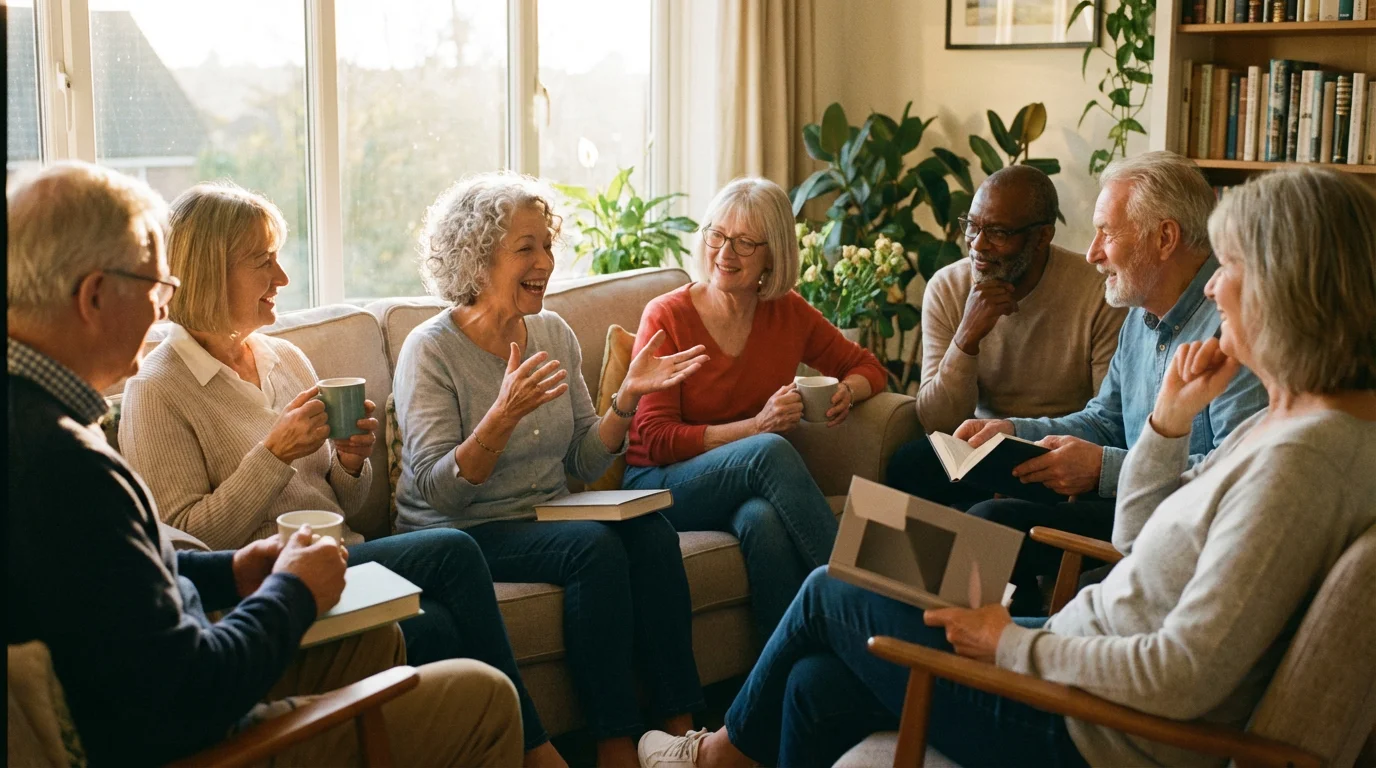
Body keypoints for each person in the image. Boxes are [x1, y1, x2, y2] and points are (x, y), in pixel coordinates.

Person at [637, 166, 1376, 768]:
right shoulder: (1284, 418)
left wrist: (1011, 642)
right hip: (1084, 640)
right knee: (899, 500)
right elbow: (1141, 535)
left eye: (1235, 268)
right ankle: (864, 584)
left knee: (839, 583)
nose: (1216, 287)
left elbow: (1185, 673)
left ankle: (717, 751)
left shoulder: (1299, 463)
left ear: (1288, 287)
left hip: (1083, 724)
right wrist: (1157, 426)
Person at [7, 162, 523, 767]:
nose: (158, 315)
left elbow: (135, 572)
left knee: (388, 634)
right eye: (154, 289)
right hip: (206, 733)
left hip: (199, 663)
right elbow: (189, 687)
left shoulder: (45, 426)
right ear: (94, 295)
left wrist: (234, 572)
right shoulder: (62, 464)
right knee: (486, 694)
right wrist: (291, 589)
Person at [393, 171, 710, 768]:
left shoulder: (553, 332)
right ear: (477, 260)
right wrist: (500, 416)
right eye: (526, 247)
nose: (545, 260)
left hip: (543, 514)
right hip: (458, 532)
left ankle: (677, 731)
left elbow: (584, 459)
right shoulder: (430, 350)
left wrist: (627, 399)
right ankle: (614, 745)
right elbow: (441, 491)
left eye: (547, 243)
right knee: (592, 549)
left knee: (650, 531)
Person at [949, 151, 1268, 615]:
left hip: (1173, 522)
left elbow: (1233, 474)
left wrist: (1104, 469)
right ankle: (966, 643)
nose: (1091, 252)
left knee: (991, 522)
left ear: (1164, 238)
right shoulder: (1140, 314)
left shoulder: (1232, 327)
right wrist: (1017, 432)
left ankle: (971, 655)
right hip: (1127, 505)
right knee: (959, 483)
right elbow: (1105, 419)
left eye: (1106, 232)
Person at [622, 177, 889, 638]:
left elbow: (866, 365)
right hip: (660, 485)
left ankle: (774, 688)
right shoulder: (667, 316)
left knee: (761, 521)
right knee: (769, 449)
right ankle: (869, 604)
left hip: (736, 487)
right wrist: (757, 426)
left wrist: (850, 390)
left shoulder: (787, 312)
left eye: (745, 243)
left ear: (774, 254)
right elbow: (656, 439)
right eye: (717, 235)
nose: (725, 253)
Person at [885, 165, 1127, 508]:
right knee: (909, 466)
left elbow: (1108, 420)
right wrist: (966, 339)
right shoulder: (948, 287)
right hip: (979, 445)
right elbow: (937, 421)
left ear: (1042, 237)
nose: (977, 245)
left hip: (1056, 449)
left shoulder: (1097, 293)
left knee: (1001, 508)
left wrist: (1019, 440)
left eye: (997, 232)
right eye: (972, 226)